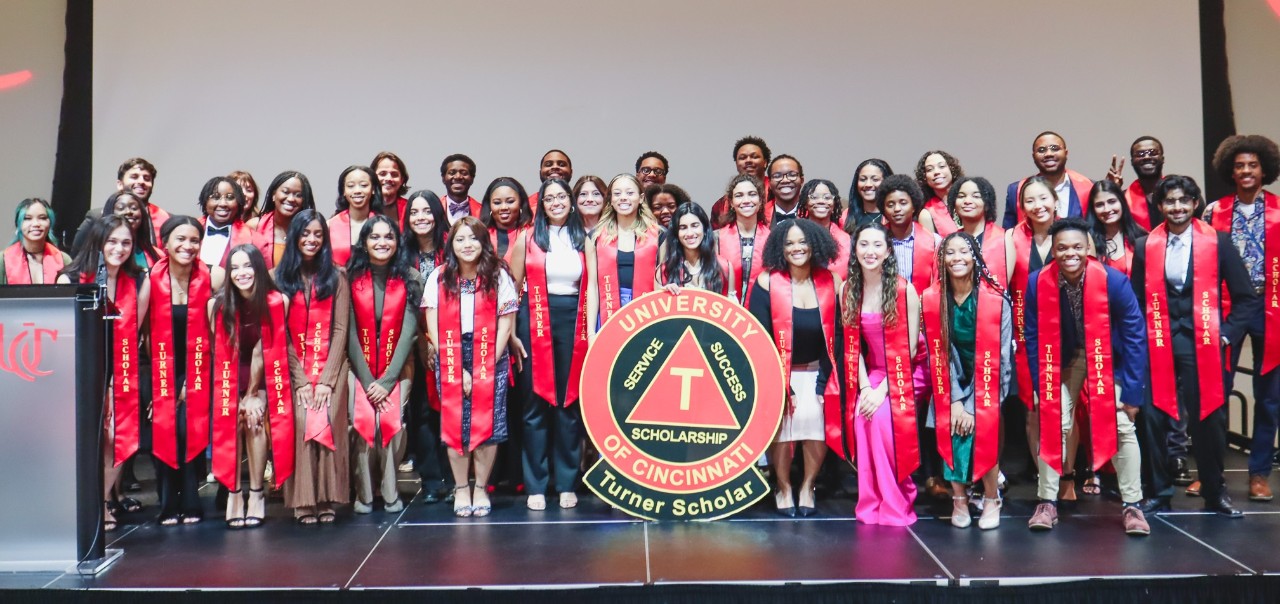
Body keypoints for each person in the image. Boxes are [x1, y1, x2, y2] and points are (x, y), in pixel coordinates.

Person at [1132, 175, 1258, 518]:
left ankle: (1215, 492)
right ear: (1160, 206)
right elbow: (1135, 300)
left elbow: (1246, 299)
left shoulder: (1218, 242)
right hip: (1157, 341)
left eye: (1183, 201)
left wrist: (1227, 334)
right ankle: (1158, 492)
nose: (1177, 208)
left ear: (1195, 204)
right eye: (1169, 202)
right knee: (1154, 418)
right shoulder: (1145, 246)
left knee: (1210, 419)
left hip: (1202, 341)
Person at [1024, 219, 1151, 534]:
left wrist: (1133, 392)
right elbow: (1032, 336)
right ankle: (1047, 501)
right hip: (1065, 359)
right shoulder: (1037, 282)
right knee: (1054, 421)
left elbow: (1136, 337)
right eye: (1062, 247)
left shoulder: (1113, 281)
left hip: (1110, 359)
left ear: (1088, 249)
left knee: (1122, 425)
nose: (1070, 253)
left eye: (1077, 247)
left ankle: (1133, 505)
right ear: (1053, 250)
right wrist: (1042, 385)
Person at [59, 215, 152, 532]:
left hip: (118, 372)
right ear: (97, 242)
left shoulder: (139, 282)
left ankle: (99, 504)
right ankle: (77, 505)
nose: (120, 248)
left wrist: (115, 378)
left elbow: (132, 335)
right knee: (82, 441)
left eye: (126, 242)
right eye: (112, 241)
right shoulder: (70, 279)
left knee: (116, 437)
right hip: (78, 374)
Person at [423, 217, 519, 517]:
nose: (468, 245)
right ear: (451, 244)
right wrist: (454, 364)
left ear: (484, 243)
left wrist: (484, 367)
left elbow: (506, 324)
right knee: (456, 423)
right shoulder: (439, 277)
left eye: (474, 239)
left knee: (488, 426)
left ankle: (481, 488)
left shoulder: (498, 275)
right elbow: (433, 324)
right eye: (461, 239)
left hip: (491, 353)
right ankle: (461, 487)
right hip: (451, 354)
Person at [1203, 134, 1280, 502]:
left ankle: (1260, 473)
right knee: (1216, 390)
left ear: (1264, 169)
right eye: (1239, 165)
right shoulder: (1212, 212)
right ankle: (1209, 471)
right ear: (1230, 171)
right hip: (1228, 308)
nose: (1246, 170)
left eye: (1253, 164)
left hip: (1272, 308)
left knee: (1269, 396)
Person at [748, 219, 841, 517]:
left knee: (815, 420)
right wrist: (782, 384)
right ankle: (784, 485)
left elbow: (838, 334)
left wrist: (823, 381)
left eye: (803, 242)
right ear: (779, 248)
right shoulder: (766, 282)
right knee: (783, 428)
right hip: (777, 372)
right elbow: (759, 337)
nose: (796, 248)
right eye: (789, 243)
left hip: (818, 371)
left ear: (815, 245)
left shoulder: (831, 281)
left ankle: (807, 486)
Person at [921, 232, 1012, 529]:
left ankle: (990, 498)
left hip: (990, 376)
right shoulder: (933, 299)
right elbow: (940, 353)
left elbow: (1002, 357)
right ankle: (959, 499)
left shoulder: (996, 299)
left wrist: (974, 405)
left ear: (975, 257)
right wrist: (957, 401)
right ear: (942, 260)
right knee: (953, 427)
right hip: (950, 380)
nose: (956, 258)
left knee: (984, 430)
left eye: (964, 251)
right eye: (950, 253)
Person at [509, 178, 590, 510]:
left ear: (571, 201)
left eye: (562, 197)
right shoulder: (526, 239)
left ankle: (567, 482)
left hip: (574, 320)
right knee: (534, 406)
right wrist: (511, 334)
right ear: (540, 204)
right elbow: (511, 291)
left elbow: (595, 287)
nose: (556, 202)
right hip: (533, 322)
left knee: (569, 404)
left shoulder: (584, 238)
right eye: (549, 198)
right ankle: (536, 484)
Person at [840, 222, 923, 525]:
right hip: (871, 373)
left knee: (883, 422)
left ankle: (897, 500)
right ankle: (871, 502)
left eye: (878, 245)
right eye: (864, 244)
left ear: (889, 251)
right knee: (864, 418)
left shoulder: (905, 290)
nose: (870, 251)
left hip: (904, 373)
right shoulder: (847, 289)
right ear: (855, 250)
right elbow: (853, 347)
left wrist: (881, 391)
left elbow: (910, 352)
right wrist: (865, 389)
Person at [207, 244, 293, 529]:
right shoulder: (216, 305)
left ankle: (256, 493)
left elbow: (264, 352)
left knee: (254, 418)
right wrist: (236, 397)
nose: (241, 273)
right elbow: (221, 354)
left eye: (248, 266)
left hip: (267, 374)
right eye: (235, 268)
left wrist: (253, 394)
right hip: (228, 375)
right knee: (232, 416)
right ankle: (234, 492)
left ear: (258, 269)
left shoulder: (277, 301)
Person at [275, 210, 352, 525]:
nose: (311, 239)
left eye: (318, 234)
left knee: (329, 415)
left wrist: (327, 380)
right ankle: (303, 499)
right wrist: (301, 380)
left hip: (331, 369)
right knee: (302, 419)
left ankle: (325, 497)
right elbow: (282, 333)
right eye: (305, 233)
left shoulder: (337, 275)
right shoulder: (278, 277)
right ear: (294, 236)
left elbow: (340, 330)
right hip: (293, 370)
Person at [346, 215, 421, 514]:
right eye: (374, 237)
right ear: (364, 242)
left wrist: (388, 381)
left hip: (398, 366)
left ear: (397, 242)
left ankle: (390, 491)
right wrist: (367, 382)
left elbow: (409, 332)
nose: (382, 243)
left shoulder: (411, 277)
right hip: (358, 366)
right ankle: (364, 492)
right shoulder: (350, 277)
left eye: (388, 236)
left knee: (391, 423)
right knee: (362, 423)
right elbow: (350, 332)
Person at [148, 215, 214, 525]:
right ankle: (167, 504)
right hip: (159, 369)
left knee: (189, 430)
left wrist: (191, 380)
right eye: (180, 239)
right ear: (165, 243)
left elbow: (216, 333)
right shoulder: (150, 279)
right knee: (165, 430)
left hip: (198, 368)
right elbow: (140, 333)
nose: (188, 246)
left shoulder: (210, 278)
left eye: (194, 240)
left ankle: (191, 500)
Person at [401, 190, 453, 502]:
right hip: (411, 343)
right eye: (414, 212)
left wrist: (440, 341)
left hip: (451, 342)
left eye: (427, 211)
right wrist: (423, 342)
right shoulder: (400, 253)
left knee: (447, 412)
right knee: (419, 412)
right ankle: (432, 480)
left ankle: (453, 477)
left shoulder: (453, 248)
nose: (421, 217)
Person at [586, 174, 661, 333]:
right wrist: (591, 332)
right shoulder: (595, 237)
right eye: (617, 193)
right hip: (608, 308)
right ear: (611, 200)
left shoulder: (659, 236)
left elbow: (663, 280)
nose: (623, 198)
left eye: (629, 193)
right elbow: (592, 286)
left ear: (641, 198)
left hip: (648, 312)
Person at [1001, 132, 1094, 228]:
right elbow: (1008, 233)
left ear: (1066, 153)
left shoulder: (1089, 187)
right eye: (1041, 150)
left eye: (1055, 148)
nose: (1049, 154)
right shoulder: (1016, 190)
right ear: (1034, 157)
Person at [657, 202, 735, 297]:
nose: (689, 233)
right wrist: (664, 295)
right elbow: (655, 310)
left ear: (705, 228)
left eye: (695, 225)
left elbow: (731, 310)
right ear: (676, 233)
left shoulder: (724, 267)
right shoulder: (663, 271)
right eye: (683, 227)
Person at [947, 177, 1013, 287]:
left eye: (976, 196)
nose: (967, 201)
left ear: (987, 204)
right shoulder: (950, 242)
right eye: (961, 196)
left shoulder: (1004, 238)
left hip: (993, 301)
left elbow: (1004, 285)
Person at [716, 174, 770, 304]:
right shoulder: (715, 238)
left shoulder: (773, 239)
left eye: (752, 194)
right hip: (724, 312)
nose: (746, 200)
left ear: (761, 200)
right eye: (739, 196)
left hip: (762, 312)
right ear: (731, 203)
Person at [249, 171, 316, 268]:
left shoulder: (312, 230)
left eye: (298, 195)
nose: (291, 199)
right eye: (285, 192)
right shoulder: (254, 226)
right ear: (273, 195)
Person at [1, 198, 71, 284]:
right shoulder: (3, 260)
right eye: (27, 218)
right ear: (18, 224)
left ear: (50, 224)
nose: (36, 224)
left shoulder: (64, 259)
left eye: (42, 218)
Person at [1085, 179, 1147, 276]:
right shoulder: (1087, 242)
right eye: (1099, 205)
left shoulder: (1142, 238)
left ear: (1122, 202)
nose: (1107, 209)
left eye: (1112, 201)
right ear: (1093, 209)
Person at [197, 176, 260, 268]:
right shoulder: (188, 230)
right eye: (215, 197)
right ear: (205, 201)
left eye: (230, 198)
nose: (223, 203)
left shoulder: (256, 240)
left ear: (239, 203)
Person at [1105, 136, 1166, 229]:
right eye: (1140, 154)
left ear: (1162, 158)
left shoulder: (1180, 193)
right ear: (1132, 162)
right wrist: (1111, 191)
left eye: (1153, 152)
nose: (1146, 157)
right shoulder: (1123, 199)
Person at [330, 165, 386, 266]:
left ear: (373, 189)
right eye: (350, 186)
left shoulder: (384, 226)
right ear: (343, 191)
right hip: (338, 280)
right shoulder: (329, 226)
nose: (357, 191)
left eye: (364, 185)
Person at [711, 136, 771, 228]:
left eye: (754, 157)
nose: (748, 161)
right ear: (736, 164)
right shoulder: (721, 205)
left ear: (765, 162)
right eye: (742, 158)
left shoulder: (776, 194)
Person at [798, 178, 851, 279]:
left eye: (827, 197)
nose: (821, 201)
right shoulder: (794, 234)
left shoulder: (846, 240)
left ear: (834, 203)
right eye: (814, 197)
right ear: (805, 203)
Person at [480, 176, 533, 263]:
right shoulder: (480, 236)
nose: (504, 207)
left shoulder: (531, 235)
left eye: (510, 201)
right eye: (497, 203)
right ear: (489, 206)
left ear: (521, 203)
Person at [117, 157, 169, 242]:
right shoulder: (98, 217)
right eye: (134, 177)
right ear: (120, 184)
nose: (141, 181)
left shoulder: (165, 219)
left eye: (147, 178)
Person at [104, 192, 161, 268]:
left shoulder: (157, 254)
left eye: (134, 208)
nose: (128, 212)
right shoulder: (95, 252)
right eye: (121, 208)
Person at [916, 150, 964, 236]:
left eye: (941, 166)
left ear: (952, 169)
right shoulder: (927, 215)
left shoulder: (969, 201)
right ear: (924, 177)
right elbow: (930, 248)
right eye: (930, 169)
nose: (936, 172)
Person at [845, 159, 893, 230]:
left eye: (875, 179)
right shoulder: (845, 216)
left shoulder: (895, 215)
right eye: (863, 179)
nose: (868, 184)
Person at [441, 154, 480, 224]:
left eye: (464, 173)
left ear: (472, 179)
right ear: (443, 178)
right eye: (452, 173)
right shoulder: (434, 210)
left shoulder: (482, 212)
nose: (458, 177)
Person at [766, 155, 806, 225]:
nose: (785, 180)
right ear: (769, 183)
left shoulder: (812, 213)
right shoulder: (760, 215)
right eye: (777, 176)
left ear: (802, 181)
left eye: (792, 175)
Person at [372, 151, 411, 221]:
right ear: (372, 177)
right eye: (382, 173)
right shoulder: (363, 207)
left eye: (394, 174)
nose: (388, 179)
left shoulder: (410, 208)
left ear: (401, 180)